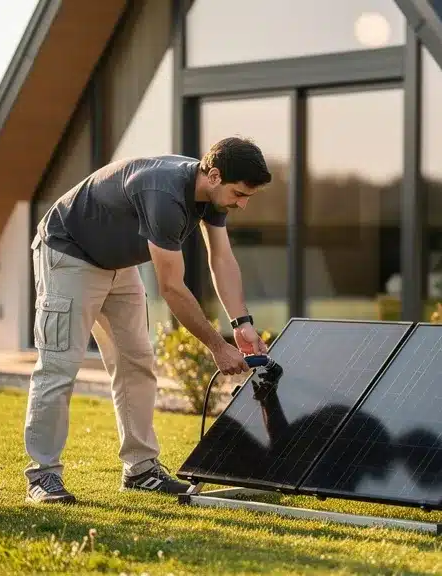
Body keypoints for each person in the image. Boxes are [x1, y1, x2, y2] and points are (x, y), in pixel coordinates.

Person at [23, 136, 271, 504]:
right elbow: (172, 288)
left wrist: (241, 324)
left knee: (136, 361)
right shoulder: (166, 194)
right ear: (215, 176)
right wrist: (217, 346)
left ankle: (140, 469)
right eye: (240, 194)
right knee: (59, 365)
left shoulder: (212, 193)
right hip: (68, 253)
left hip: (116, 263)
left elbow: (221, 259)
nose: (243, 204)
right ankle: (43, 476)